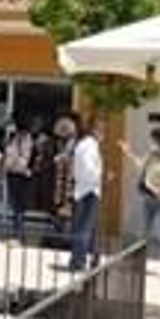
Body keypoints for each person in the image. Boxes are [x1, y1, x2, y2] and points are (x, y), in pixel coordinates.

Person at [120, 127, 160, 274]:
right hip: (149, 197)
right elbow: (141, 165)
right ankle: (139, 263)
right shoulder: (151, 156)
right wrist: (128, 152)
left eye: (155, 139)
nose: (152, 142)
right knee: (145, 231)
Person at [65, 114, 103, 271]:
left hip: (84, 189)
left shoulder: (83, 145)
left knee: (89, 227)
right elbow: (88, 170)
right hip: (88, 191)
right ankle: (77, 261)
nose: (103, 133)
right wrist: (100, 177)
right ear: (94, 131)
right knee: (84, 228)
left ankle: (94, 257)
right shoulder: (89, 146)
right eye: (101, 130)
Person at [3, 124, 37, 240]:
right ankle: (18, 232)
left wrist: (10, 165)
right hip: (19, 174)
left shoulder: (21, 140)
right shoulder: (24, 139)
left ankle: (18, 233)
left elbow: (19, 159)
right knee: (18, 206)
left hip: (19, 174)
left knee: (18, 206)